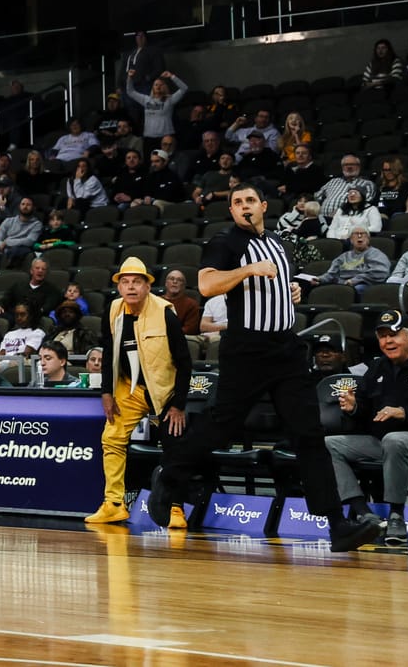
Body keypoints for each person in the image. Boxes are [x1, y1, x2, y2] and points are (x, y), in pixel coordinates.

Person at [148, 185, 382, 552]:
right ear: (231, 211)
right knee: (223, 426)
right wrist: (247, 270)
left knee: (309, 434)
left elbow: (278, 287)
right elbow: (206, 285)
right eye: (237, 202)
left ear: (263, 206)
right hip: (247, 349)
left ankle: (337, 524)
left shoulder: (278, 243)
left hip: (286, 349)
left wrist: (291, 292)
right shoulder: (226, 241)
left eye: (250, 201)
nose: (244, 206)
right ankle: (169, 475)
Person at [325, 309, 408, 546]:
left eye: (394, 335)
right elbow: (366, 409)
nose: (388, 341)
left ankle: (396, 516)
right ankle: (364, 514)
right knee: (329, 445)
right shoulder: (378, 367)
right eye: (382, 336)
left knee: (394, 440)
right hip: (385, 442)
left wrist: (404, 412)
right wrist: (354, 407)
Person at [85, 257, 191, 525]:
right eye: (125, 282)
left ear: (147, 286)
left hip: (163, 392)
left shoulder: (165, 313)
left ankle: (176, 508)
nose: (131, 287)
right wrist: (106, 392)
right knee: (111, 438)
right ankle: (114, 504)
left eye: (137, 282)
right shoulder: (113, 310)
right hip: (129, 388)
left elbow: (184, 361)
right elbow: (109, 352)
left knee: (174, 446)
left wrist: (178, 404)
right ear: (119, 287)